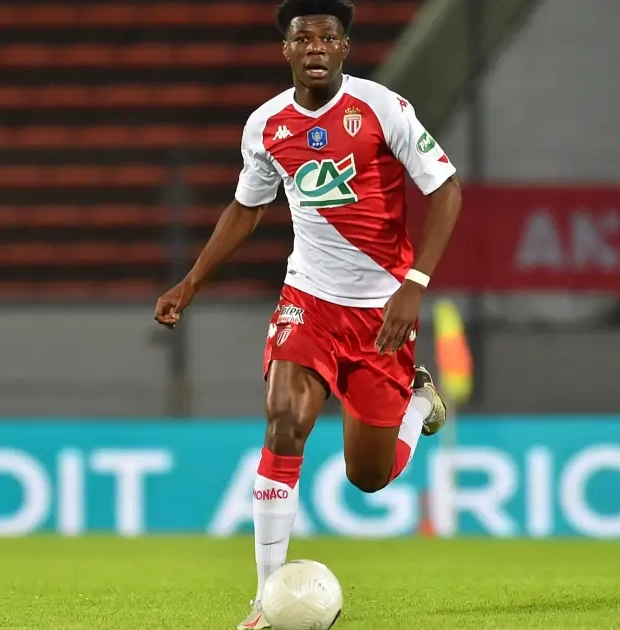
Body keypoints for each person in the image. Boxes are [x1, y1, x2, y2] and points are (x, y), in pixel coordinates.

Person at [152, 1, 462, 627]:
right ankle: (264, 602)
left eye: (327, 37)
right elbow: (247, 207)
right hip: (308, 302)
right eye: (303, 38)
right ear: (287, 51)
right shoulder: (266, 124)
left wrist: (414, 284)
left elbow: (446, 189)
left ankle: (418, 404)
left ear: (344, 48)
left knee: (369, 478)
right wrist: (191, 281)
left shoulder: (382, 108)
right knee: (284, 423)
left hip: (382, 312)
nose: (315, 46)